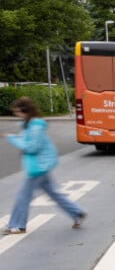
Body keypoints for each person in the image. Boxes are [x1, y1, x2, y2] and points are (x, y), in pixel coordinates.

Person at [3, 97, 86, 235]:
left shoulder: (35, 127)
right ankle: (76, 213)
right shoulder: (29, 125)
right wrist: (12, 136)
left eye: (17, 112)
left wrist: (11, 138)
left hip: (37, 167)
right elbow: (26, 141)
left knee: (23, 196)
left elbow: (31, 147)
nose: (16, 115)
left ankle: (17, 225)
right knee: (53, 193)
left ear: (25, 111)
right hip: (40, 165)